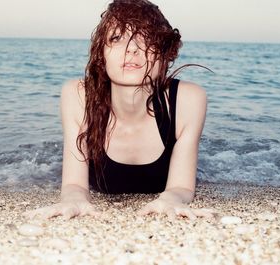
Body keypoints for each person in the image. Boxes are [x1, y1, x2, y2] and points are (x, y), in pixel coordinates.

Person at [26, 0, 215, 220]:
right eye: (117, 38)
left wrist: (171, 199)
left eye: (147, 38)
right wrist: (73, 199)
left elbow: (181, 187)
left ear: (164, 54)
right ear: (101, 53)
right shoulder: (79, 95)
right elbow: (74, 183)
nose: (132, 48)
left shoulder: (187, 100)